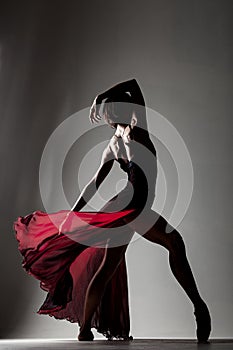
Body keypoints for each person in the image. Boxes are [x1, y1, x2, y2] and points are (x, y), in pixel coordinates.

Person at [14, 79, 211, 343]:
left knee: (109, 266)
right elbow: (94, 183)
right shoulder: (119, 141)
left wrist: (100, 95)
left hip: (129, 206)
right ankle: (199, 307)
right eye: (105, 112)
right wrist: (73, 214)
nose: (106, 116)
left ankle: (84, 329)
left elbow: (134, 85)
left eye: (109, 110)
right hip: (131, 206)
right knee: (174, 243)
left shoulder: (136, 127)